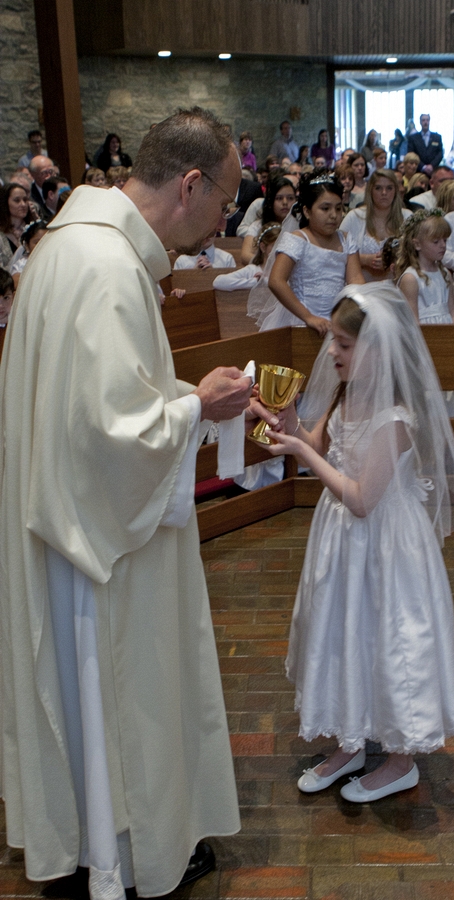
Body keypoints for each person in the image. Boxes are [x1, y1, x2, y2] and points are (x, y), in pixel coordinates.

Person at [0, 106, 275, 900]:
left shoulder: (68, 247)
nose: (225, 219)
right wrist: (198, 407)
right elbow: (111, 434)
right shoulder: (107, 266)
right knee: (120, 690)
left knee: (88, 697)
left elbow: (89, 400)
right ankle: (121, 853)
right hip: (98, 548)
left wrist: (188, 396)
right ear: (190, 184)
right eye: (224, 199)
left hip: (64, 520)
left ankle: (94, 839)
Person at [262, 281, 454, 802]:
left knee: (390, 639)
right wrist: (292, 426)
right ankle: (350, 739)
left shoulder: (395, 418)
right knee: (344, 632)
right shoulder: (347, 393)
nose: (331, 352)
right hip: (342, 541)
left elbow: (361, 498)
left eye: (344, 344)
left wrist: (302, 455)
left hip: (386, 544)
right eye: (332, 341)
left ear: (378, 349)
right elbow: (320, 444)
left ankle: (401, 762)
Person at [258, 172, 363, 334]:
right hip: (300, 317)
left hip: (336, 319)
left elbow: (355, 279)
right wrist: (308, 316)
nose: (333, 215)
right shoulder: (298, 239)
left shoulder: (346, 240)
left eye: (338, 208)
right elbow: (276, 281)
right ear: (307, 211)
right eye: (325, 208)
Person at [394, 209, 454, 416]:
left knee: (450, 392)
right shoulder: (411, 278)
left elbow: (451, 310)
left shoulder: (445, 274)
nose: (443, 245)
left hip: (447, 337)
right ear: (417, 244)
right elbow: (412, 322)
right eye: (436, 241)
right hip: (425, 341)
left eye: (445, 240)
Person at [340, 169, 410, 281]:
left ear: (396, 191)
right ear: (370, 191)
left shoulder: (407, 217)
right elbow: (337, 254)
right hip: (360, 285)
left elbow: (419, 255)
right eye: (378, 188)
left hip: (398, 286)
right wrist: (365, 259)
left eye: (389, 188)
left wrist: (393, 261)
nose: (384, 193)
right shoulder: (354, 217)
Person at [239, 173, 296, 262]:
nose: (285, 202)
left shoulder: (301, 225)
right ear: (270, 201)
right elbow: (245, 256)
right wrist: (268, 265)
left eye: (290, 198)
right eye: (279, 198)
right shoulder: (258, 226)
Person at [214, 222, 281, 291]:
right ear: (263, 247)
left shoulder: (285, 272)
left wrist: (265, 281)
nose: (279, 249)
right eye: (275, 246)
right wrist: (256, 282)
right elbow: (219, 282)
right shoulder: (252, 270)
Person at [0, 181, 36, 253]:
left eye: (25, 200)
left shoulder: (34, 229)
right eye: (17, 200)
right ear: (5, 203)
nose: (23, 204)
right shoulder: (1, 232)